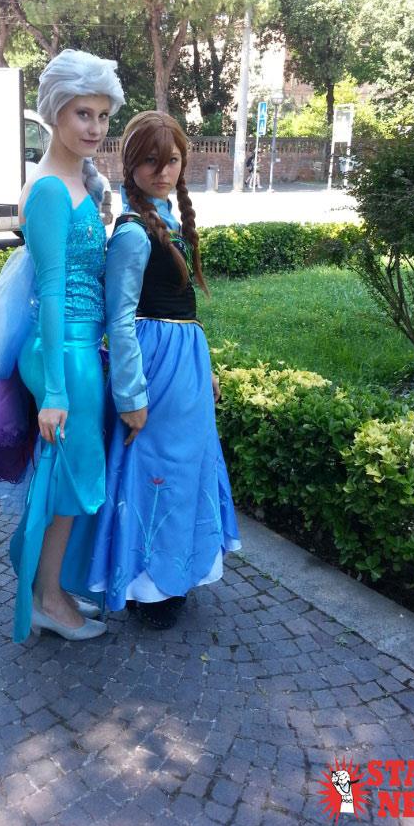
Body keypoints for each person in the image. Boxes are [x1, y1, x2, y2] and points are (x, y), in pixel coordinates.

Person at [88, 111, 241, 629]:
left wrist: (204, 369)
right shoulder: (133, 234)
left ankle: (175, 573)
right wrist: (131, 396)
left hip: (183, 369)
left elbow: (184, 310)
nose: (163, 171)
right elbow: (120, 321)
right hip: (154, 372)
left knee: (184, 471)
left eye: (172, 160)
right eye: (151, 160)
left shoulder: (168, 221)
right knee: (157, 474)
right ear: (131, 165)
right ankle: (148, 587)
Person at [8, 49, 125, 642]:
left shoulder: (79, 181)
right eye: (83, 114)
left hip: (79, 350)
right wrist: (54, 390)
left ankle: (50, 585)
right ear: (55, 112)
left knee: (70, 473)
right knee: (69, 477)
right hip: (64, 355)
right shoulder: (52, 190)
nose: (95, 128)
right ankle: (48, 599)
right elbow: (51, 291)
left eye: (103, 116)